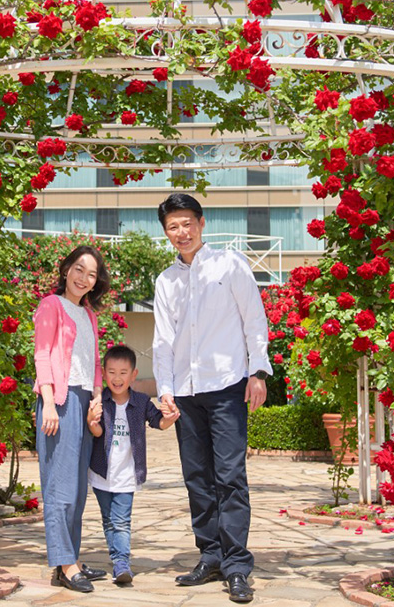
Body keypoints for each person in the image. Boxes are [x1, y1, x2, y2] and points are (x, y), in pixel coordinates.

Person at [152, 193, 271, 604]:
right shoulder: (165, 281)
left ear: (201, 223)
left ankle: (237, 565)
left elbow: (254, 319)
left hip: (226, 387)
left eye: (187, 223)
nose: (181, 232)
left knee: (230, 478)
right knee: (197, 479)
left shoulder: (230, 264)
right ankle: (211, 556)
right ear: (166, 233)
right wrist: (165, 390)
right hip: (185, 393)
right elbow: (163, 341)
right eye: (173, 227)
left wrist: (257, 371)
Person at [34, 245, 111, 593]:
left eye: (91, 274)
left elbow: (94, 362)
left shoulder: (89, 314)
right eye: (79, 269)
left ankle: (70, 560)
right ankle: (66, 564)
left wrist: (96, 399)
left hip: (83, 401)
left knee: (78, 490)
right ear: (66, 269)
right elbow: (42, 355)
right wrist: (49, 403)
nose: (83, 278)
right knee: (59, 488)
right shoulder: (51, 305)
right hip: (60, 402)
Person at [86, 344, 179, 585]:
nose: (117, 378)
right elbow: (97, 433)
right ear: (104, 374)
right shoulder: (100, 401)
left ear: (133, 374)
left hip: (127, 473)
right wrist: (91, 421)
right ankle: (116, 557)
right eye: (112, 372)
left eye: (123, 372)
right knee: (108, 520)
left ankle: (122, 563)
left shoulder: (140, 401)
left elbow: (158, 422)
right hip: (101, 472)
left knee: (121, 520)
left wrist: (170, 419)